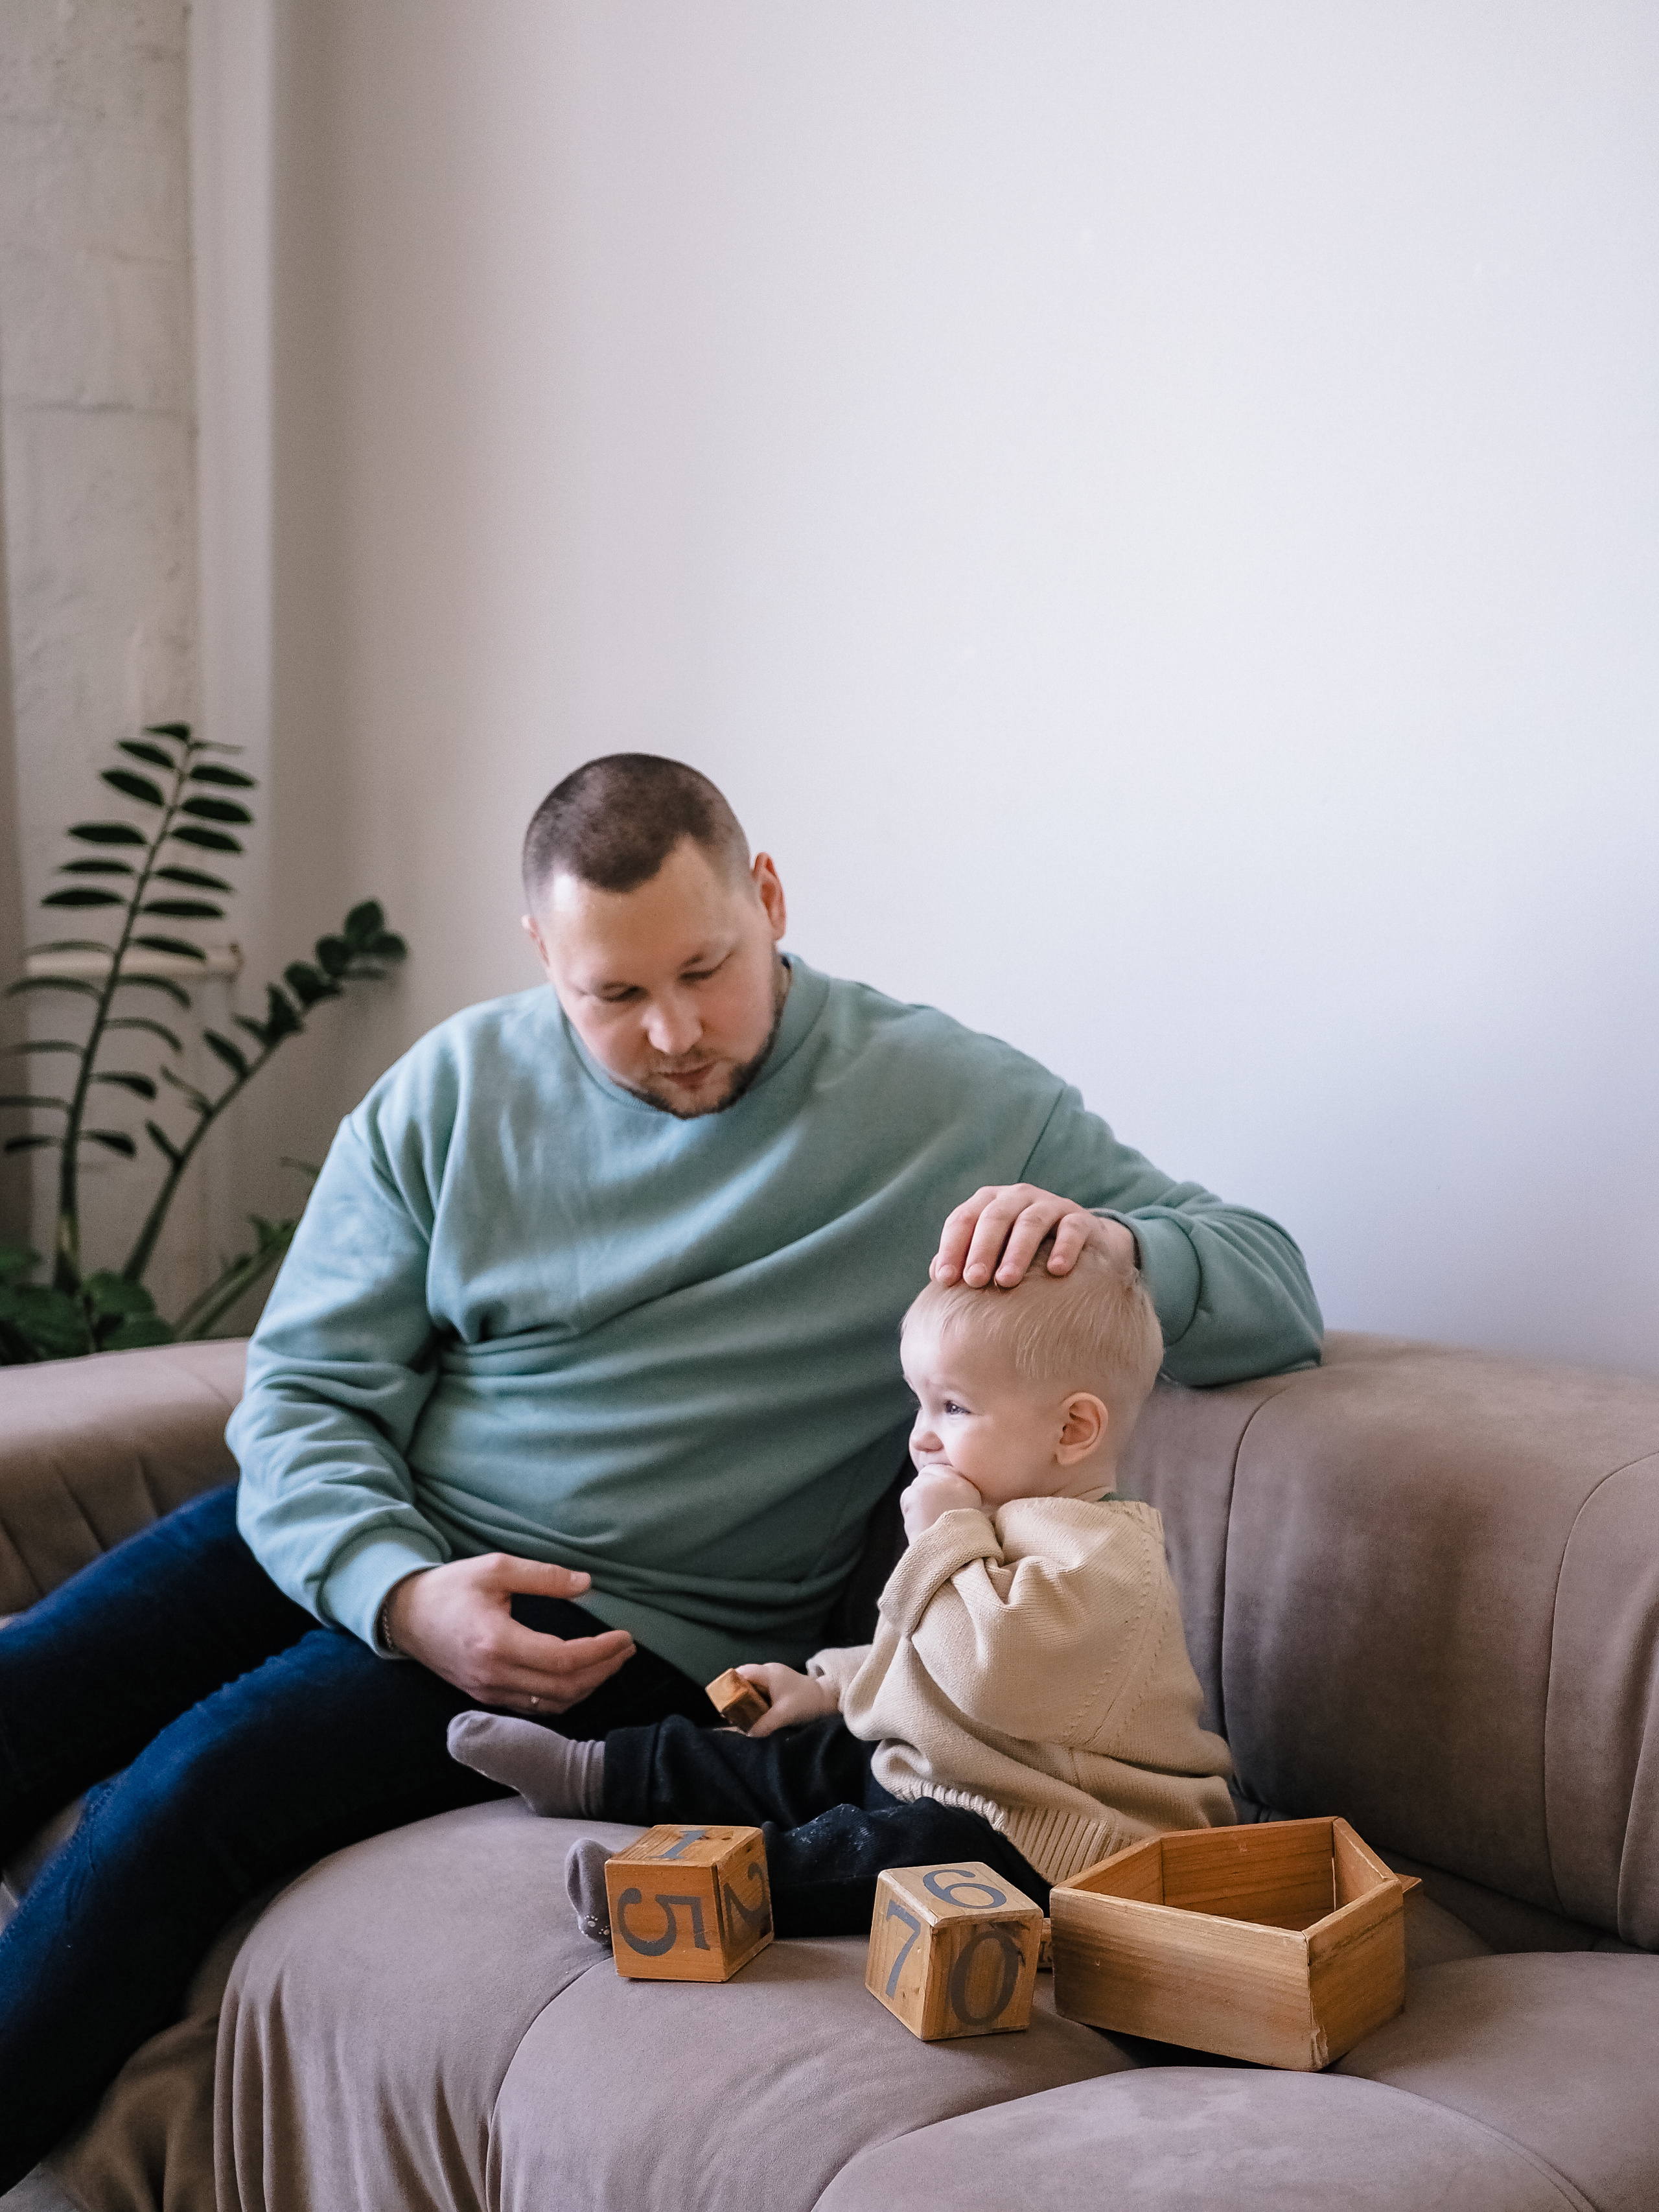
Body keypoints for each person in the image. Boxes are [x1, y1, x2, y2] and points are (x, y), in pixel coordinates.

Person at [0, 754, 1320, 2186]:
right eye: (615, 994)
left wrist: (1111, 1244)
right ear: (542, 955)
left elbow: (1271, 1283)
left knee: (193, 1789)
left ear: (770, 900)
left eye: (707, 968)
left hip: (616, 1624)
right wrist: (398, 1589)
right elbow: (307, 1393)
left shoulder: (950, 1099)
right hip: (376, 1531)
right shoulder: (451, 1089)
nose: (676, 1031)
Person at [447, 1239, 1235, 1942]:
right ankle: (594, 1771)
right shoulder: (990, 1517)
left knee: (899, 1852)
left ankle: (670, 1897)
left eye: (953, 1407)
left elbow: (987, 1676)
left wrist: (943, 1533)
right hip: (946, 1775)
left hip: (1050, 1842)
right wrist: (825, 1687)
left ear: (1072, 1430)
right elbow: (922, 1650)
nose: (921, 1434)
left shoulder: (1100, 1558)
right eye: (920, 1402)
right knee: (800, 1758)